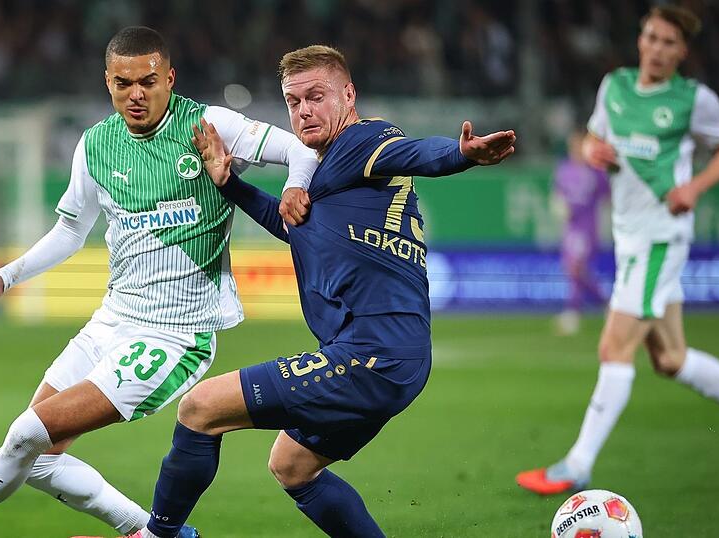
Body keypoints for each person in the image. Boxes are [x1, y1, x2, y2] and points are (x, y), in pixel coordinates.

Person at [0, 26, 318, 538]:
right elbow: (70, 231)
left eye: (148, 82)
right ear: (107, 82)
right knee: (37, 458)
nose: (136, 94)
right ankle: (160, 533)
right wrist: (3, 280)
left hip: (176, 335)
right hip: (110, 322)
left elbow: (302, 151)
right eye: (122, 83)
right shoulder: (95, 145)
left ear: (170, 78)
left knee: (27, 432)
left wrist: (293, 187)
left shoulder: (209, 124)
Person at [130, 45, 516, 538]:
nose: (304, 111)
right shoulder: (333, 170)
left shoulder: (363, 139)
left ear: (348, 95)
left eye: (316, 96)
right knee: (293, 465)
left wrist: (461, 155)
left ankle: (160, 534)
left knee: (200, 408)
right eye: (293, 102)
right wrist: (228, 183)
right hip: (395, 359)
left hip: (371, 356)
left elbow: (415, 151)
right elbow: (295, 225)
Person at [517, 5, 719, 495]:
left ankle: (577, 464)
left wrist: (694, 188)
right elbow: (594, 140)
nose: (656, 48)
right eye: (651, 37)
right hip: (629, 235)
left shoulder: (694, 100)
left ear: (682, 52)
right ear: (640, 39)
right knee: (670, 358)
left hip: (660, 236)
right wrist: (593, 152)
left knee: (614, 346)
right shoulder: (615, 86)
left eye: (668, 42)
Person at [551, 130, 610, 335]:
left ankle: (572, 313)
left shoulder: (595, 170)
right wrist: (559, 206)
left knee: (575, 267)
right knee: (573, 269)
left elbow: (607, 197)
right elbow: (558, 195)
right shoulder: (564, 169)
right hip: (570, 227)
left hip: (587, 226)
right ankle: (606, 304)